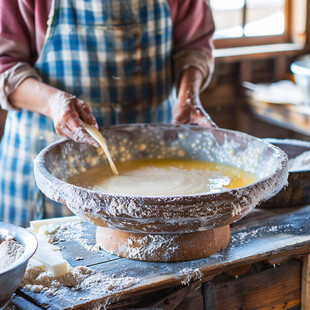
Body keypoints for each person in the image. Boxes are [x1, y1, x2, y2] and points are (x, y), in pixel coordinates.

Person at [0, 0, 215, 227]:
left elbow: (194, 46)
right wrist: (52, 103)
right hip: (46, 158)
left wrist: (188, 96)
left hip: (154, 162)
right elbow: (4, 64)